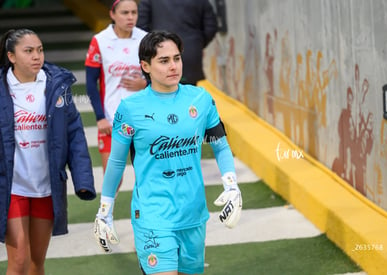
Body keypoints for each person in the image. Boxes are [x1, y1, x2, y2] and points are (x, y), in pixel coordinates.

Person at [93, 30, 242, 275]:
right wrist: (105, 209)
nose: (173, 66)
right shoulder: (130, 109)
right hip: (153, 215)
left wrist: (231, 185)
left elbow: (220, 144)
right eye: (164, 61)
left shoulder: (201, 99)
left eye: (176, 58)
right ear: (145, 66)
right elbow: (117, 161)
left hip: (193, 213)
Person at [0, 28, 96, 275]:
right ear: (11, 56)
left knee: (36, 262)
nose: (37, 56)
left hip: (47, 186)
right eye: (29, 51)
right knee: (18, 260)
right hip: (12, 187)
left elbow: (74, 134)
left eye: (40, 50)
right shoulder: (2, 89)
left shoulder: (56, 86)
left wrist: (83, 180)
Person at [85, 0, 147, 176]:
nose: (130, 17)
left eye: (134, 13)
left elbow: (158, 75)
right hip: (111, 122)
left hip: (143, 118)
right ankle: (106, 205)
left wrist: (145, 84)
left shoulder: (145, 39)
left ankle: (142, 205)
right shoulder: (100, 41)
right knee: (113, 178)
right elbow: (91, 83)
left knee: (145, 174)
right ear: (113, 14)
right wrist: (100, 118)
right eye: (125, 13)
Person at [137, 0, 218, 85]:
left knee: (161, 92)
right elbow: (211, 27)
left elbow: (141, 27)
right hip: (190, 53)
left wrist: (153, 46)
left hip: (159, 54)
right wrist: (197, 44)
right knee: (188, 93)